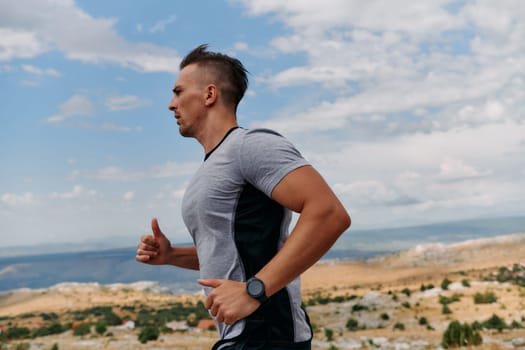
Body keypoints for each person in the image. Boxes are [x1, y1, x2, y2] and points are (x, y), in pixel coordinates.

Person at [136, 44, 351, 350]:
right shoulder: (215, 164)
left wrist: (254, 290)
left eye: (178, 91)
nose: (171, 104)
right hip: (241, 337)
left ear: (210, 95)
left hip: (268, 334)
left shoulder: (250, 146)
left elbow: (329, 213)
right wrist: (172, 256)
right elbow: (234, 253)